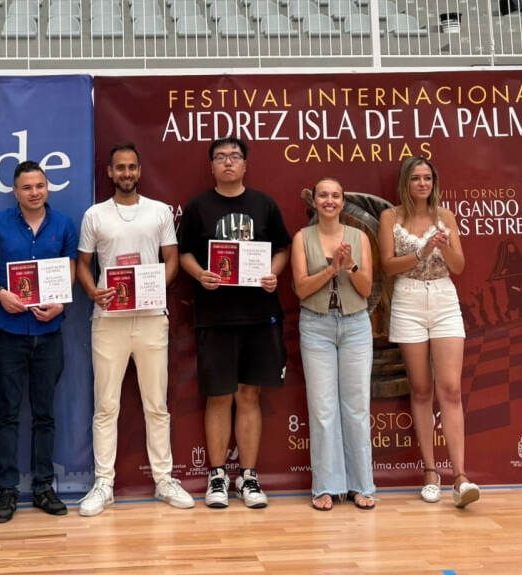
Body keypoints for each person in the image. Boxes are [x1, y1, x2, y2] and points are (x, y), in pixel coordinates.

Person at [75, 143, 194, 516]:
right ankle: (104, 484)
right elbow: (83, 264)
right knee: (106, 405)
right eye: (119, 167)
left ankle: (164, 480)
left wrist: (155, 288)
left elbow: (171, 259)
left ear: (139, 171)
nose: (126, 173)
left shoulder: (159, 211)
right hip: (108, 319)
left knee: (156, 404)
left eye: (131, 167)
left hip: (151, 317)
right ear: (109, 173)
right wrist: (92, 292)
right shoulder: (95, 215)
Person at [178, 137, 291, 509]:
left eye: (235, 156)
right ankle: (216, 476)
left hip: (258, 314)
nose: (228, 162)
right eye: (221, 157)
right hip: (215, 316)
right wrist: (199, 274)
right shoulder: (198, 206)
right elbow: (184, 253)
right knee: (219, 395)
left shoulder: (264, 204)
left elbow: (282, 248)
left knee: (249, 395)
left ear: (245, 164)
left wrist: (273, 273)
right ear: (211, 166)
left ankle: (248, 476)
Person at [0, 161, 79, 523]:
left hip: (49, 333)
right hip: (9, 331)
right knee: (7, 414)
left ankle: (43, 487)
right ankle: (7, 490)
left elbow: (70, 267)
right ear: (15, 191)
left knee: (44, 414)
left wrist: (61, 302)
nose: (34, 193)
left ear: (47, 187)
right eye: (27, 187)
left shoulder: (64, 224)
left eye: (40, 186)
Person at [378, 156, 479, 508]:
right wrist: (422, 251)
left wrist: (443, 245)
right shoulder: (390, 217)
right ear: (405, 182)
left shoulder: (445, 216)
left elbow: (459, 267)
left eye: (427, 178)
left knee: (450, 389)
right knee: (421, 389)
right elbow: (388, 265)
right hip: (407, 299)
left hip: (444, 297)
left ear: (434, 182)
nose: (422, 184)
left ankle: (461, 477)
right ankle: (430, 473)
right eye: (416, 178)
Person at [292, 177, 375, 511]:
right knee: (323, 409)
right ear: (314, 201)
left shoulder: (359, 237)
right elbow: (301, 289)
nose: (329, 201)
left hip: (355, 325)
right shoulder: (302, 238)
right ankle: (325, 486)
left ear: (343, 202)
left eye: (335, 196)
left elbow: (366, 289)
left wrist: (350, 265)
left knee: (357, 408)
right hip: (316, 326)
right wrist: (332, 270)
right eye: (323, 195)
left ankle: (361, 485)